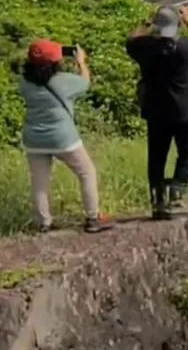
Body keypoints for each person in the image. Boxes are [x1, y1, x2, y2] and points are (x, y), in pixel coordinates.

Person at [125, 4, 188, 220]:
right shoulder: (187, 49)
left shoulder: (145, 47)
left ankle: (158, 202)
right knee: (186, 154)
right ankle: (176, 196)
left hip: (155, 112)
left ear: (157, 26)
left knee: (156, 157)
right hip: (184, 112)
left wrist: (147, 22)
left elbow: (131, 39)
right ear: (177, 25)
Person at [18, 39, 112, 234]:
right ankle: (93, 218)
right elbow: (85, 82)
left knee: (39, 181)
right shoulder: (63, 81)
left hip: (33, 138)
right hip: (62, 137)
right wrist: (81, 62)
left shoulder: (24, 82)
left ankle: (44, 223)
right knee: (86, 172)